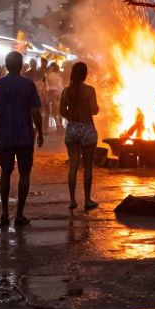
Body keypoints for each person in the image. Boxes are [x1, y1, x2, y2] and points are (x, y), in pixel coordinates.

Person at [0, 51, 44, 227]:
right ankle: (19, 214)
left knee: (5, 173)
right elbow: (35, 111)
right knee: (24, 173)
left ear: (6, 65)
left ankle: (4, 212)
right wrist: (40, 132)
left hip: (5, 134)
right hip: (25, 135)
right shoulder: (29, 85)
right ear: (21, 66)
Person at [59, 61, 100, 210]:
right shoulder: (90, 90)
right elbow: (94, 110)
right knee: (88, 167)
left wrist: (71, 118)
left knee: (73, 166)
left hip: (72, 128)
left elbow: (62, 111)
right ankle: (87, 200)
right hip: (87, 128)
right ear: (85, 74)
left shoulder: (66, 91)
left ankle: (72, 200)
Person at [44, 62, 64, 132]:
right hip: (59, 93)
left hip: (52, 93)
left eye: (50, 67)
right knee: (58, 110)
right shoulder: (59, 75)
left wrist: (46, 94)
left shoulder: (49, 75)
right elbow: (61, 85)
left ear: (52, 68)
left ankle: (58, 125)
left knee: (52, 111)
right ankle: (60, 125)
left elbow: (47, 87)